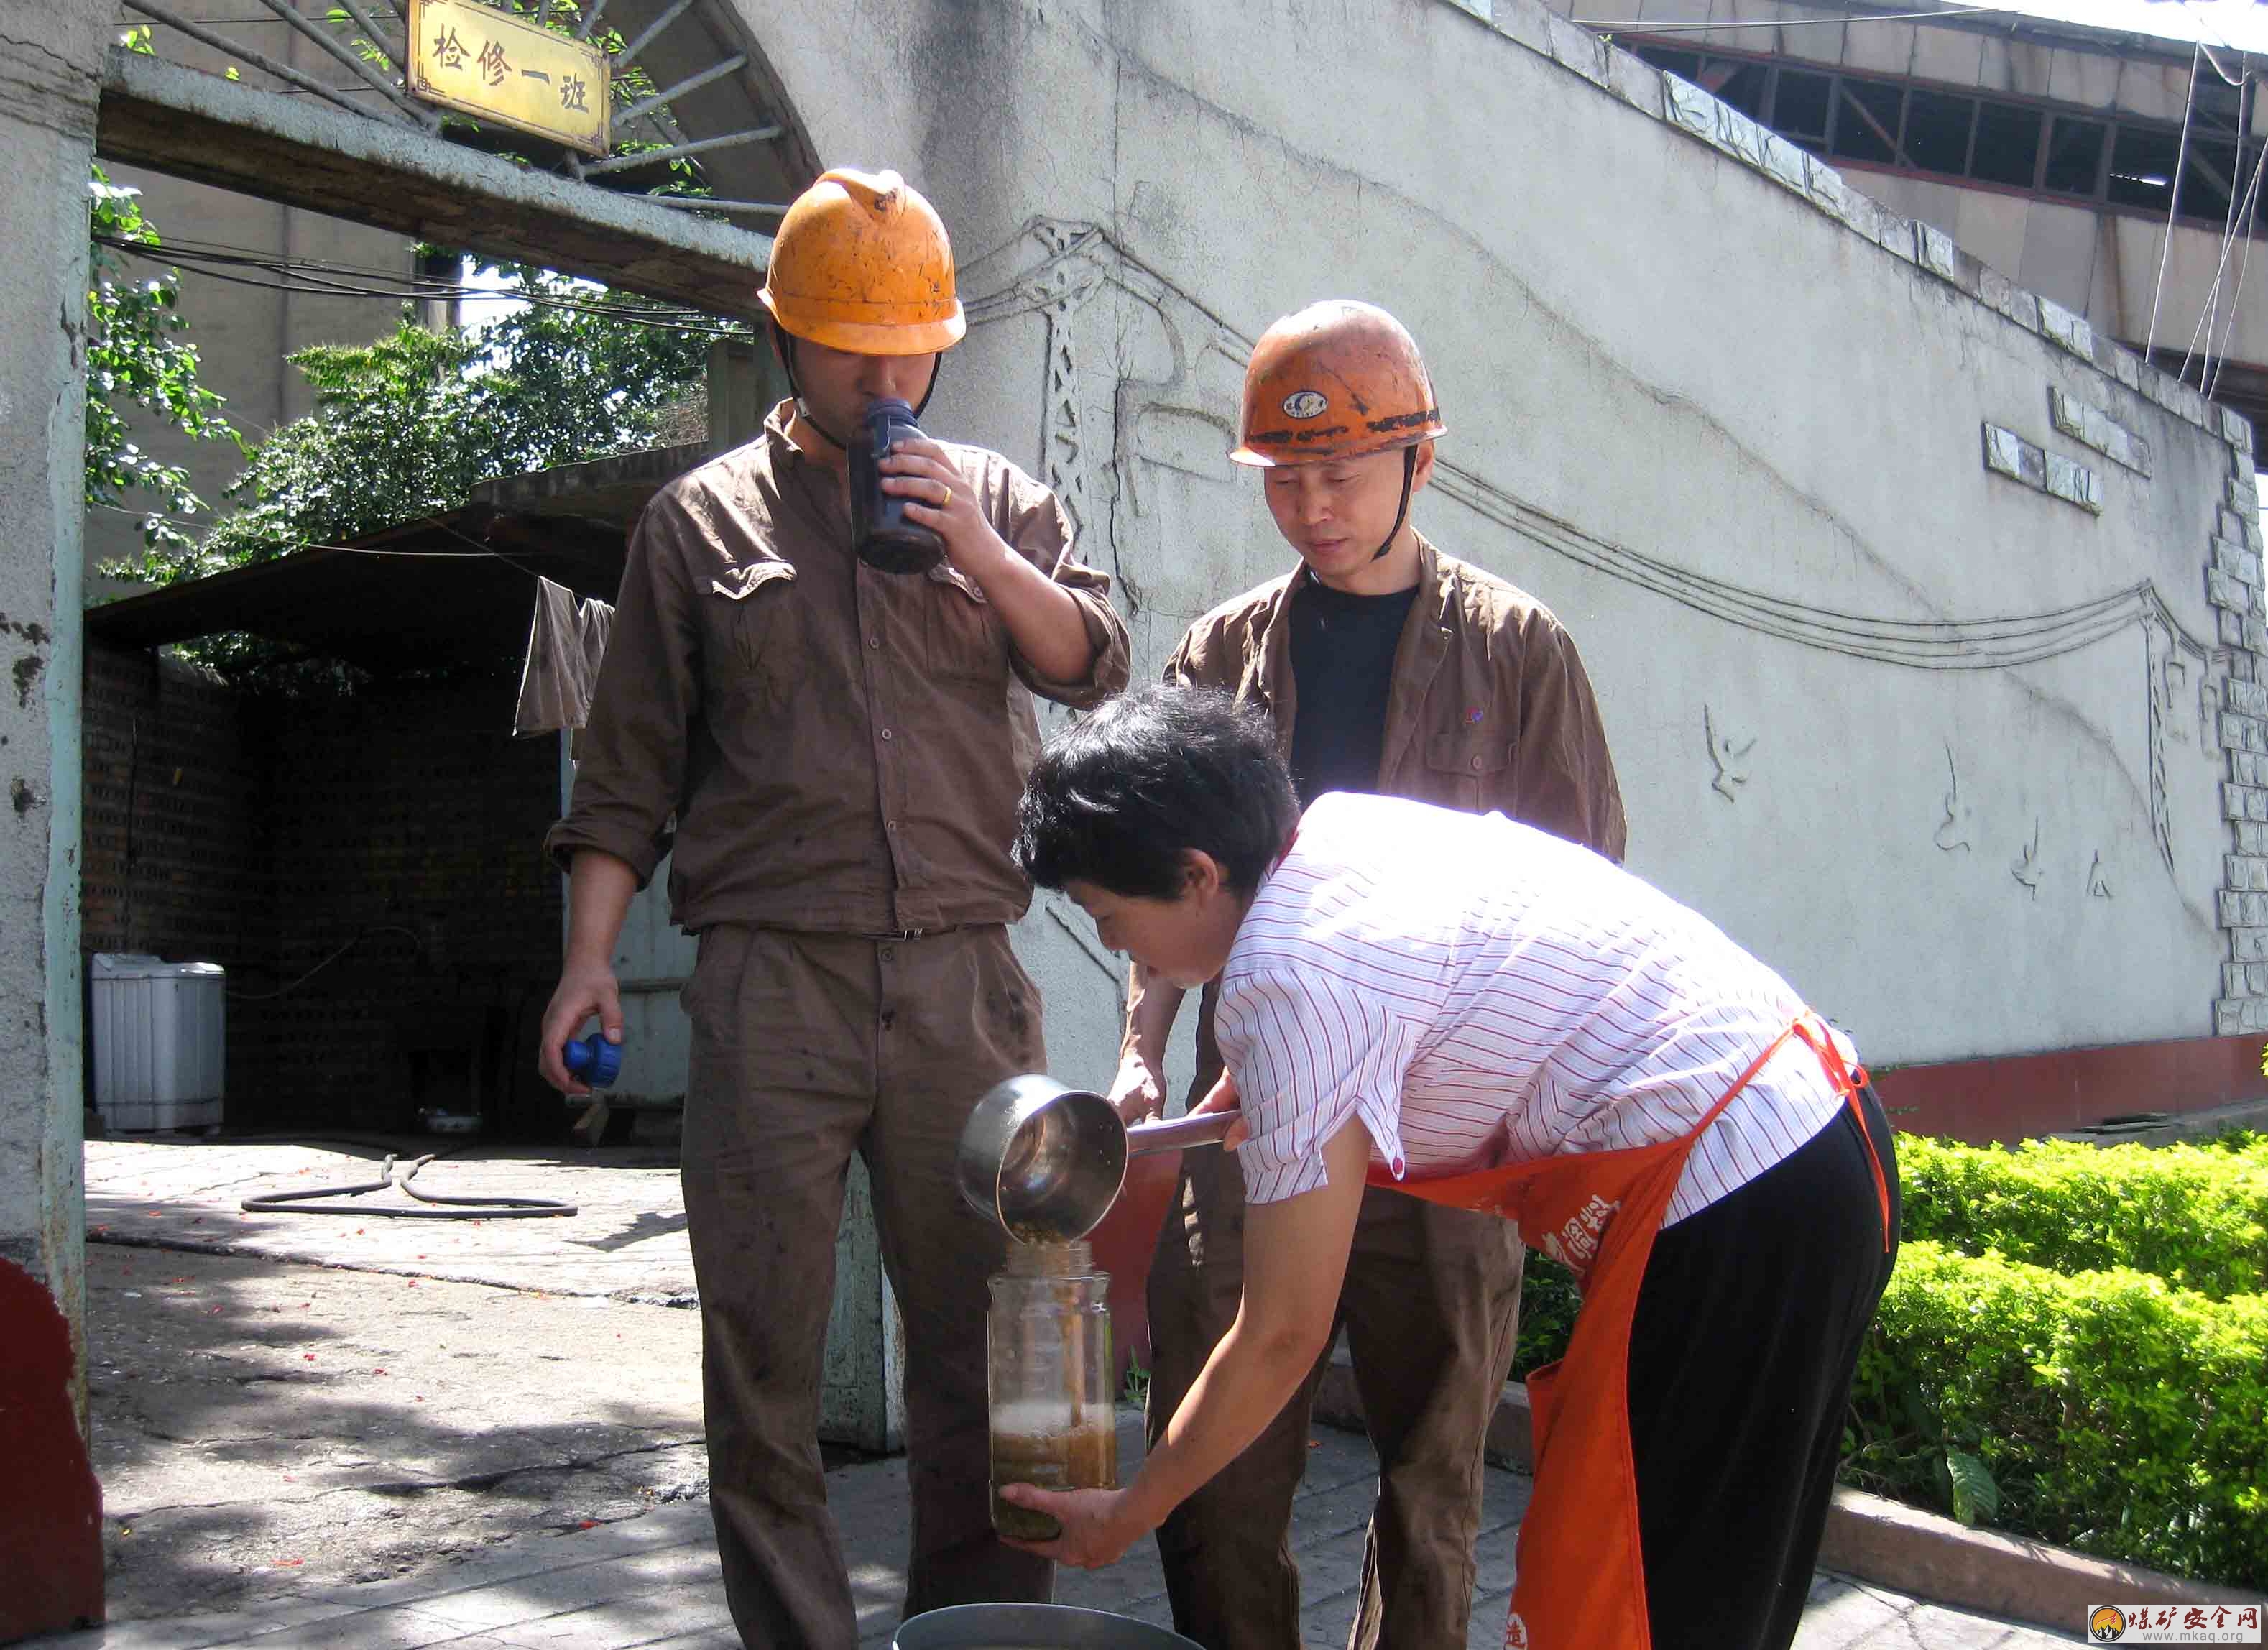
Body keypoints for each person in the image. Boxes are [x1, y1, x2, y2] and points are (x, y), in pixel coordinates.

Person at [537, 167, 1131, 1649]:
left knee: (1002, 1360)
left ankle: (980, 1633)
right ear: (786, 338)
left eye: (909, 348)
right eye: (853, 347)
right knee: (763, 1364)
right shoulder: (695, 522)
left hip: (964, 990)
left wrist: (983, 552)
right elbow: (627, 774)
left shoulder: (999, 496)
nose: (885, 378)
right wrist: (590, 961)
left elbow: (1092, 663)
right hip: (769, 986)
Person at [1005, 686, 1900, 1650]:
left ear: (1195, 876)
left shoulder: (1293, 978)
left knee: (1636, 1613)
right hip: (1820, 1136)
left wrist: (1132, 1510)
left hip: (1736, 1201)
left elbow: (1281, 1333)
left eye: (1107, 915)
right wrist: (1266, 1104)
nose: (1113, 944)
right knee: (1715, 1598)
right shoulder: (1334, 836)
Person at [1110, 299, 1624, 1650]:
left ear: (1422, 464)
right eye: (1285, 479)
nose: (1313, 506)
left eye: (1341, 474)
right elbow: (1163, 880)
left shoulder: (1519, 655)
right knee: (1218, 1469)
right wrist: (1139, 1046)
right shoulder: (1221, 657)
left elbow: (1579, 898)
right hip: (1256, 1106)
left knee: (1430, 1492)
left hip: (1451, 1135)